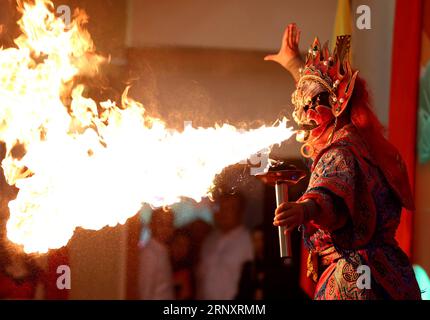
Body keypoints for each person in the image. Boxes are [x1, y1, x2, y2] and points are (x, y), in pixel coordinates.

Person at [267, 23, 421, 299]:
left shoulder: (340, 152)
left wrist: (304, 210)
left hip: (354, 282)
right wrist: (293, 64)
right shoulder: (363, 146)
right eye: (301, 104)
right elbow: (325, 95)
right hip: (393, 275)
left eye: (311, 105)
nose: (304, 113)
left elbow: (330, 192)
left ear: (337, 105)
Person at [196, 192, 253, 300]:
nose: (223, 213)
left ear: (239, 212)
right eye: (221, 207)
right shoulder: (210, 239)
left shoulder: (248, 241)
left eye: (229, 208)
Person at [138, 208, 175, 300]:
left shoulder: (163, 250)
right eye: (161, 224)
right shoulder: (149, 253)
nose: (165, 229)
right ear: (151, 225)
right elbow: (146, 292)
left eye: (169, 224)